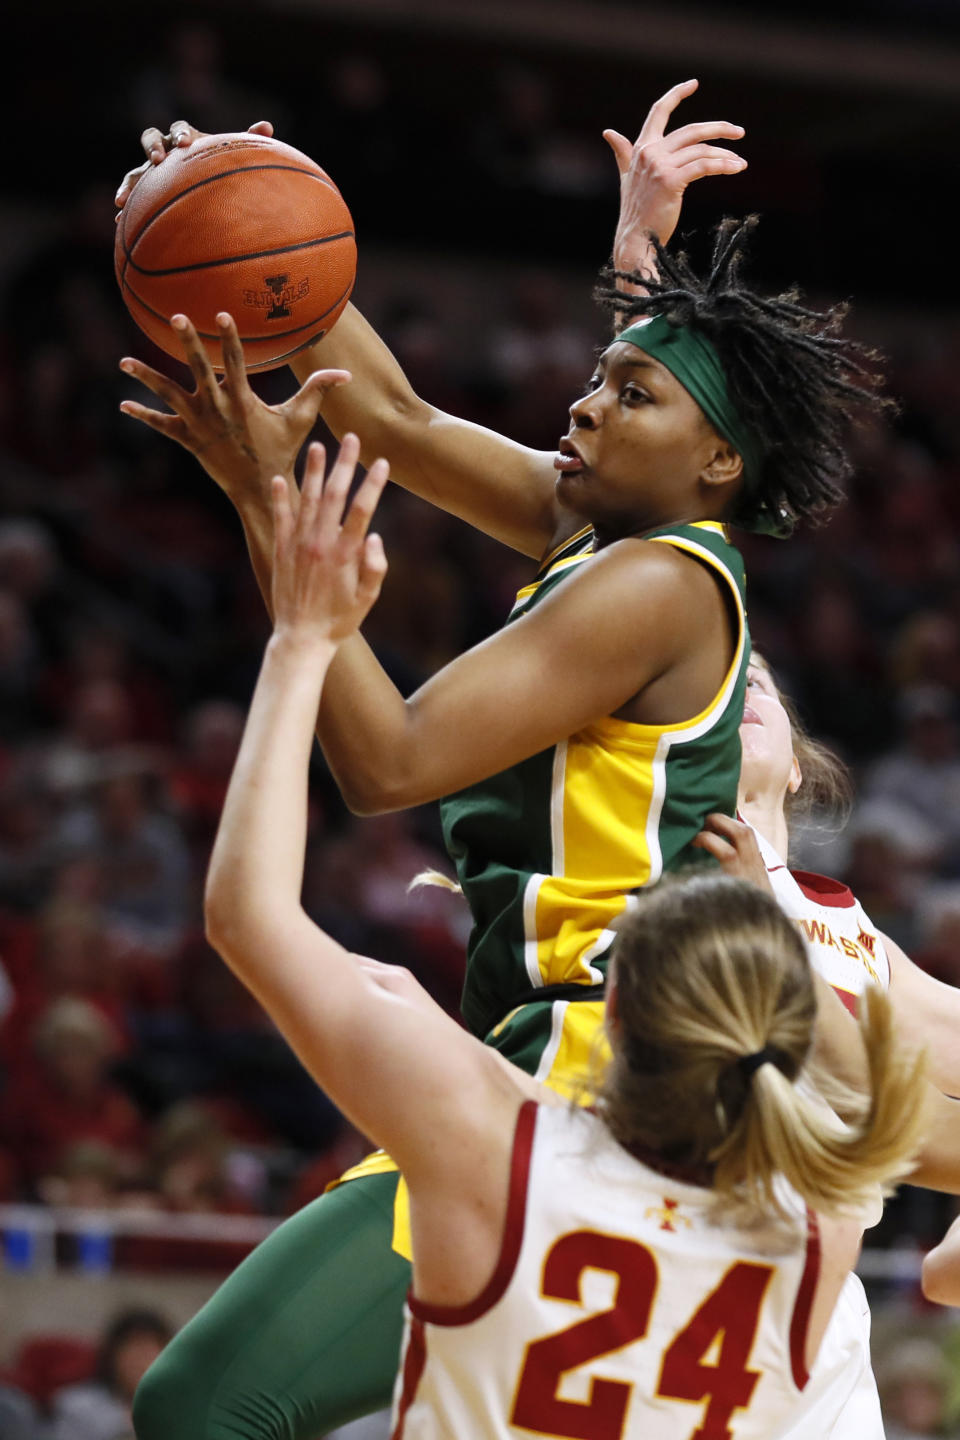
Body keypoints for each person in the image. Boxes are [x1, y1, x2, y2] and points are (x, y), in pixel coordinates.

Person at [121, 82, 891, 1438]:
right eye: (597, 377)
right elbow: (400, 419)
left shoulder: (654, 585)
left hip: (604, 1064)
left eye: (626, 390)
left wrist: (262, 505)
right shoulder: (611, 533)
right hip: (553, 1049)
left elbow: (387, 759)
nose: (584, 407)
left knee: (213, 1406)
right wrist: (242, 203)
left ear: (715, 460)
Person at [200, 437, 924, 1438]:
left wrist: (302, 634)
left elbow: (252, 915)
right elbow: (873, 1117)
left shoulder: (492, 1144)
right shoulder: (817, 1231)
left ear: (613, 998)